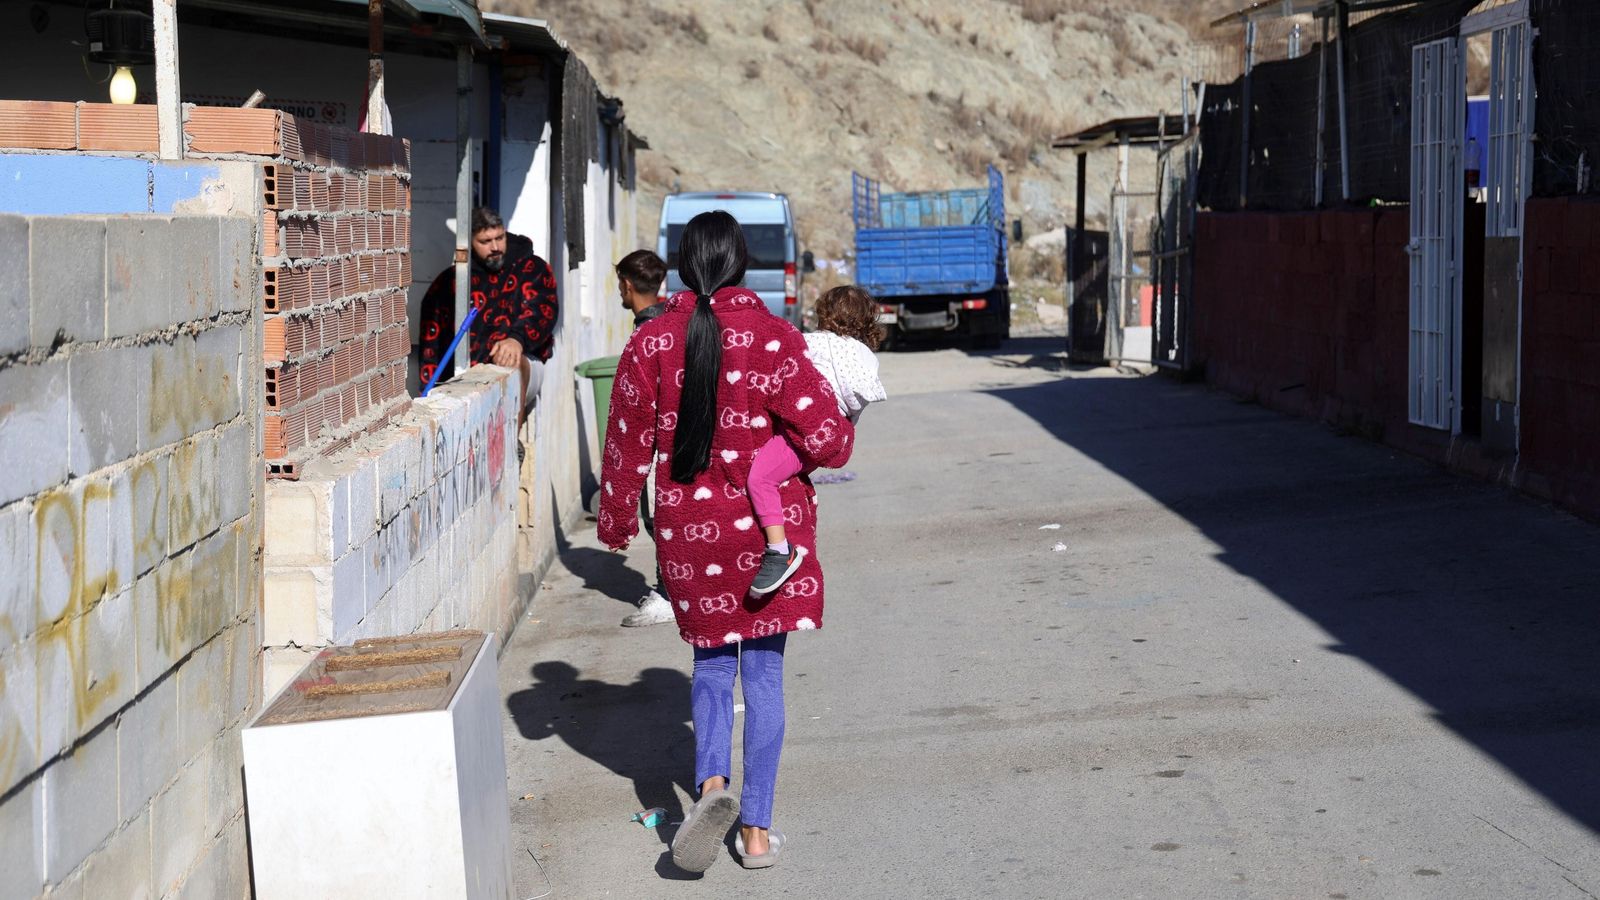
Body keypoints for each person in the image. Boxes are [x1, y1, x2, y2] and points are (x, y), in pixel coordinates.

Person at [597, 211, 855, 872]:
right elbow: (830, 437)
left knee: (712, 668)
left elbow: (625, 440)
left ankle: (711, 788)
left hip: (690, 537)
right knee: (764, 677)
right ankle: (758, 835)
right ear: (740, 263)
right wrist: (783, 454)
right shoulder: (773, 338)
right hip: (769, 541)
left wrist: (618, 521)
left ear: (682, 265)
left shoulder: (651, 341)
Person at [745, 285, 886, 595]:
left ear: (825, 313)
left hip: (803, 430)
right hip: (829, 433)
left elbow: (780, 363)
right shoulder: (864, 356)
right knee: (784, 477)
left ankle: (780, 551)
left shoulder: (813, 342)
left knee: (760, 479)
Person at [417, 208, 558, 426]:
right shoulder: (449, 283)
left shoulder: (532, 268)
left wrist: (516, 339)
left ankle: (510, 449)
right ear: (470, 242)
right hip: (468, 377)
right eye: (485, 241)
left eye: (499, 238)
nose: (495, 247)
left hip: (525, 362)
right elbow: (431, 342)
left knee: (511, 362)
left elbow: (542, 310)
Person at [615, 250, 675, 628]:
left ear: (626, 285)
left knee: (658, 516)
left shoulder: (646, 332)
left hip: (657, 441)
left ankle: (670, 593)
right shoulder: (670, 322)